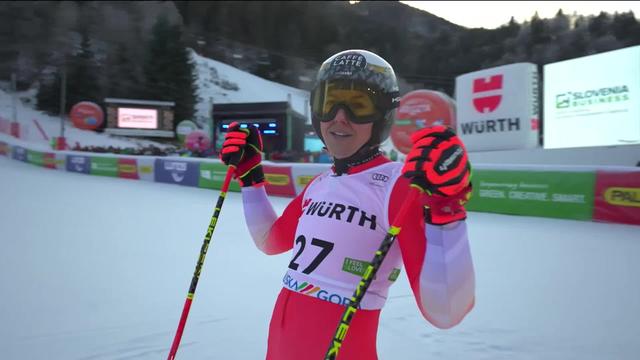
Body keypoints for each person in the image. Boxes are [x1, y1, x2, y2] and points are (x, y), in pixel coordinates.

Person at [220, 49, 475, 359]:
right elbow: (270, 241)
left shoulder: (399, 184)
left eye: (358, 106)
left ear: (382, 115)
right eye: (330, 103)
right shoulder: (321, 184)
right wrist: (250, 179)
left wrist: (446, 210)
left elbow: (446, 312)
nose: (339, 117)